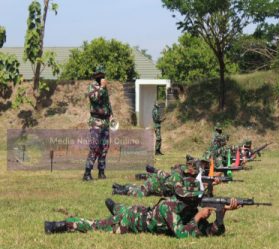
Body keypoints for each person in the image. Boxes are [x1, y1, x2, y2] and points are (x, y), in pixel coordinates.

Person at [44, 178, 239, 238]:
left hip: (139, 212)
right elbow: (182, 234)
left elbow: (212, 232)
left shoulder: (188, 209)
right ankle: (60, 225)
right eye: (194, 198)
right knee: (94, 225)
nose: (198, 201)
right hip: (130, 222)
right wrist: (198, 218)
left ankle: (116, 206)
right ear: (184, 198)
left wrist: (221, 214)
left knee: (122, 208)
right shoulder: (169, 207)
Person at [83, 65, 113, 181]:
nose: (102, 77)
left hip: (105, 121)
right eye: (100, 75)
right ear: (96, 76)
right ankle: (87, 173)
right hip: (96, 121)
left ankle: (101, 172)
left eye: (103, 75)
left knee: (104, 148)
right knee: (94, 147)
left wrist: (111, 113)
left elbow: (106, 102)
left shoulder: (104, 87)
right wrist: (102, 88)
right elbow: (95, 99)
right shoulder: (92, 86)